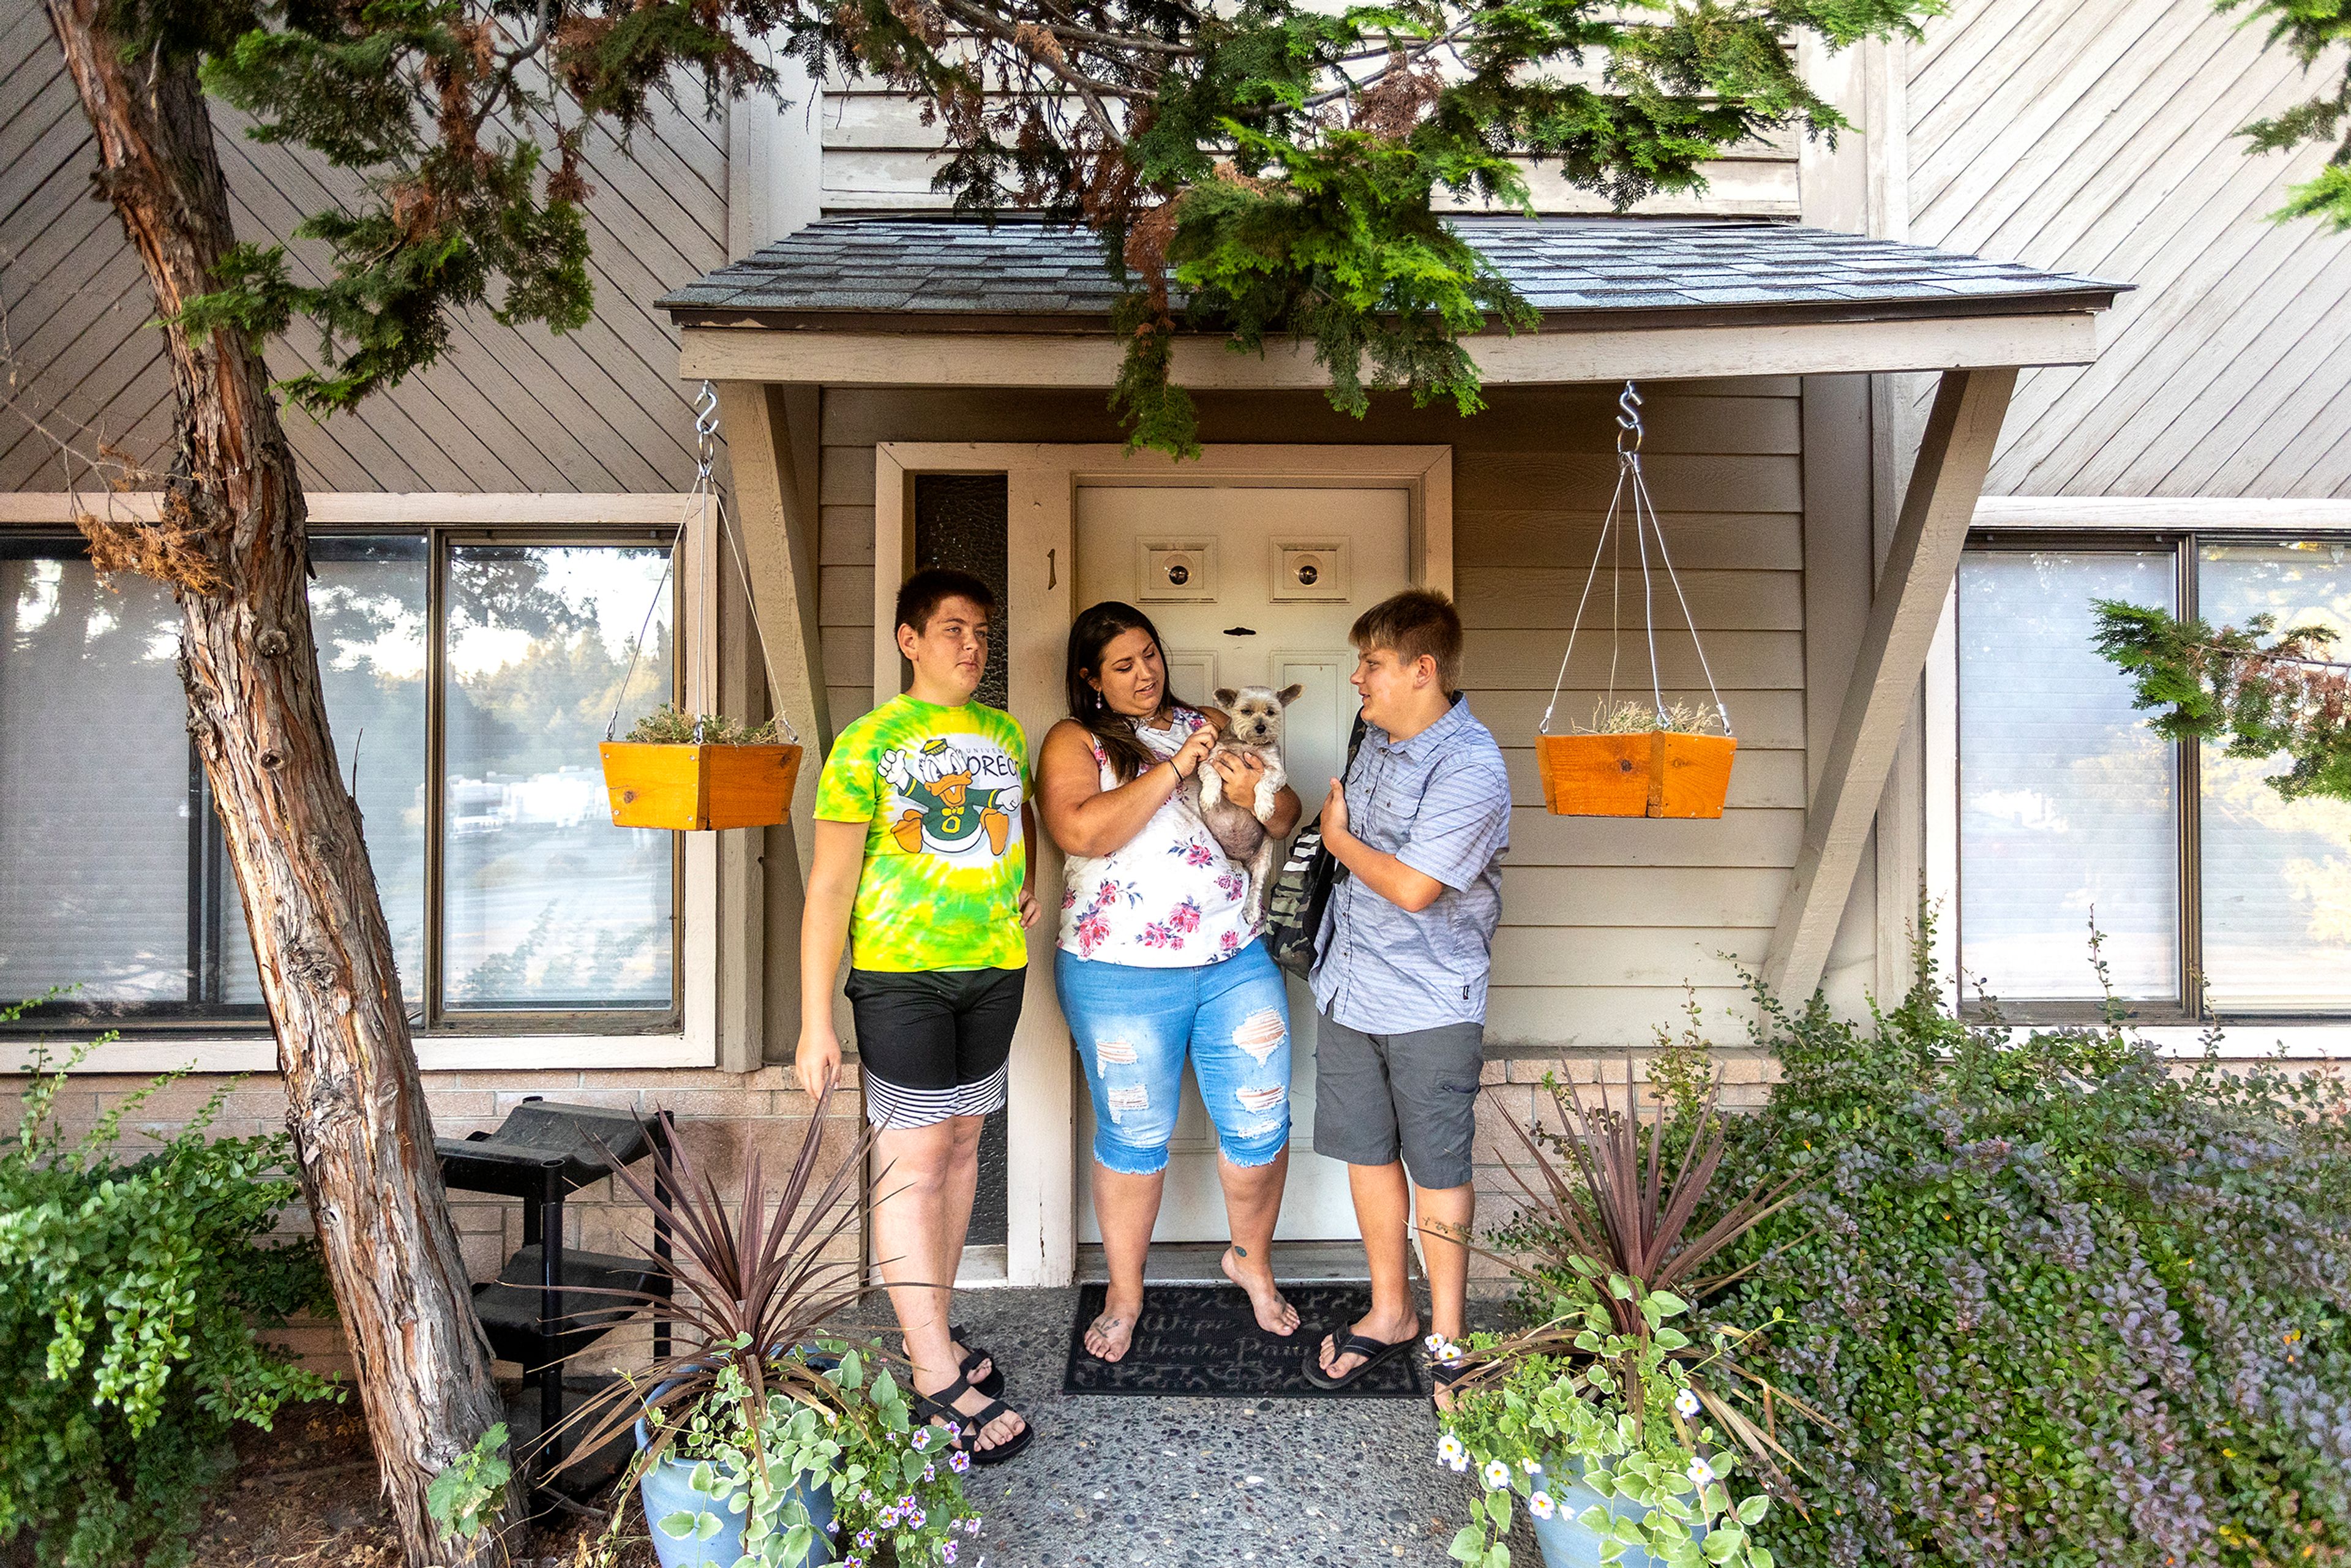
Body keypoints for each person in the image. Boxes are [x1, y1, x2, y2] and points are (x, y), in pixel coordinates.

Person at [797, 566, 1037, 1463]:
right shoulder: (867, 743)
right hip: (901, 979)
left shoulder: (1004, 734)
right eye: (952, 630)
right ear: (909, 640)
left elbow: (1015, 832)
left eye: (981, 631)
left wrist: (1023, 890)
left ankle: (927, 1328)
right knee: (916, 1160)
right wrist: (816, 1018)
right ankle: (936, 1373)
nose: (971, 646)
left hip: (993, 973)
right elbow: (827, 886)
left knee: (965, 1146)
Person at [1035, 601, 1305, 1361]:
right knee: (1135, 1135)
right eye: (1122, 665)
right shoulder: (1075, 738)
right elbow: (1081, 830)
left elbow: (1284, 816)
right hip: (1117, 970)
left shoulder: (1211, 720)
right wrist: (1176, 768)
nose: (1144, 672)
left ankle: (1250, 1261)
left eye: (1149, 655)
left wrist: (1257, 786)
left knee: (1259, 1123)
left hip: (1234, 955)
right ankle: (1125, 1293)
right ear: (1091, 679)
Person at [1299, 590, 1510, 1399]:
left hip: (1429, 1002)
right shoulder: (1378, 741)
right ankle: (1391, 1310)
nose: (1358, 678)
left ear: (1422, 671)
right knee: (1366, 1153)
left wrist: (1339, 838)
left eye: (1373, 664)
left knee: (1438, 1166)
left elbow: (1417, 887)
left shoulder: (1472, 767)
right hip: (1350, 987)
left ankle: (1450, 1337)